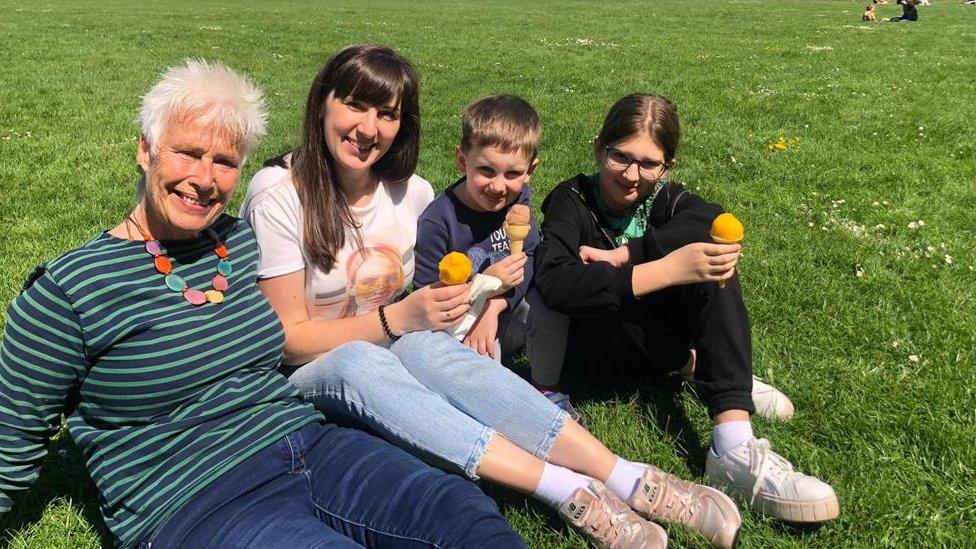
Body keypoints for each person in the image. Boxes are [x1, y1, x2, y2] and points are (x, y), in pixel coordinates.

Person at [0, 59, 526, 549]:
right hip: (193, 498)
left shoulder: (235, 242)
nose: (205, 179)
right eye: (187, 153)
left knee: (463, 512)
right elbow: (10, 440)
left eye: (225, 162)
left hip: (307, 441)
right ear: (146, 149)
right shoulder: (70, 289)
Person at [242, 44, 742, 548]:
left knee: (431, 350)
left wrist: (464, 307)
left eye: (387, 113)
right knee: (359, 363)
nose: (368, 128)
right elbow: (286, 341)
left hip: (392, 339)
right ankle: (566, 490)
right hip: (311, 369)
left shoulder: (409, 191)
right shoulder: (280, 192)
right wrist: (399, 319)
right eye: (354, 104)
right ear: (321, 103)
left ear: (403, 124)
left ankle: (627, 476)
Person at [533, 93, 841, 524]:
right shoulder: (571, 199)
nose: (632, 174)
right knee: (666, 275)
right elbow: (555, 284)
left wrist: (632, 254)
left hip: (651, 336)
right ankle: (703, 368)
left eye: (649, 164)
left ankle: (732, 445)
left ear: (667, 168)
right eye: (620, 157)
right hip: (596, 350)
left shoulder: (662, 199)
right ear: (599, 146)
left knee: (715, 264)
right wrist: (664, 271)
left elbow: (714, 218)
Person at [413, 94, 580, 425]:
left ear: (530, 170)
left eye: (512, 173)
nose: (499, 186)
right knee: (485, 365)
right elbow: (426, 297)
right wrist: (483, 288)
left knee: (551, 305)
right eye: (486, 170)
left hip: (502, 315)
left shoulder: (519, 204)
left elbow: (531, 257)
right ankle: (496, 412)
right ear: (463, 161)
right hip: (457, 329)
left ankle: (545, 389)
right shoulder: (438, 221)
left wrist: (495, 305)